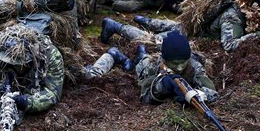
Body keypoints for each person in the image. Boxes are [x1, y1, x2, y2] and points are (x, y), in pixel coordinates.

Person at [84, 28, 218, 104]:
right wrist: (162, 86)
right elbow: (144, 97)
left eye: (183, 62)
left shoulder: (194, 66)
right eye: (175, 63)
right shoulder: (155, 65)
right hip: (144, 67)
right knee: (139, 63)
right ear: (165, 60)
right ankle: (122, 55)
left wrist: (194, 95)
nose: (180, 67)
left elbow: (212, 93)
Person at [0, 23, 64, 113]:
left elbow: (53, 94)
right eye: (10, 63)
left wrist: (27, 102)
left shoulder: (51, 55)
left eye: (19, 63)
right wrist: (0, 88)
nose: (15, 66)